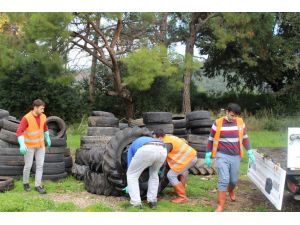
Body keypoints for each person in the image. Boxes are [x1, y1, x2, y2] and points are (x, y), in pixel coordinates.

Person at [204, 103, 256, 212]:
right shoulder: (217, 123)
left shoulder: (240, 122)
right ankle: (220, 206)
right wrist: (208, 154)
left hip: (236, 156)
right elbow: (210, 139)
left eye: (235, 116)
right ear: (227, 112)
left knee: (233, 180)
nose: (233, 118)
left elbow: (245, 138)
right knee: (224, 179)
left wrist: (249, 151)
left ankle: (231, 190)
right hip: (222, 155)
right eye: (232, 115)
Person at [16, 99, 51, 194]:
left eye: (43, 109)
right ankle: (25, 183)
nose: (43, 111)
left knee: (40, 166)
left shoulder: (43, 116)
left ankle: (37, 185)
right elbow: (19, 131)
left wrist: (47, 137)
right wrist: (22, 144)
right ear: (35, 107)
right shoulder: (26, 118)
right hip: (29, 146)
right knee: (28, 165)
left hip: (40, 145)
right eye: (41, 108)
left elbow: (44, 127)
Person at [154, 129, 197, 203]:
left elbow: (163, 156)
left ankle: (182, 197)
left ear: (160, 137)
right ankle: (179, 192)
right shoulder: (168, 137)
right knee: (183, 173)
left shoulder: (167, 143)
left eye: (155, 138)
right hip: (190, 156)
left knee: (171, 175)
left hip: (188, 159)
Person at [126, 136, 167, 209]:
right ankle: (152, 201)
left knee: (131, 175)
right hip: (163, 149)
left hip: (147, 149)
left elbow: (130, 165)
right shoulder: (146, 139)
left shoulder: (131, 147)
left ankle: (136, 203)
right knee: (154, 174)